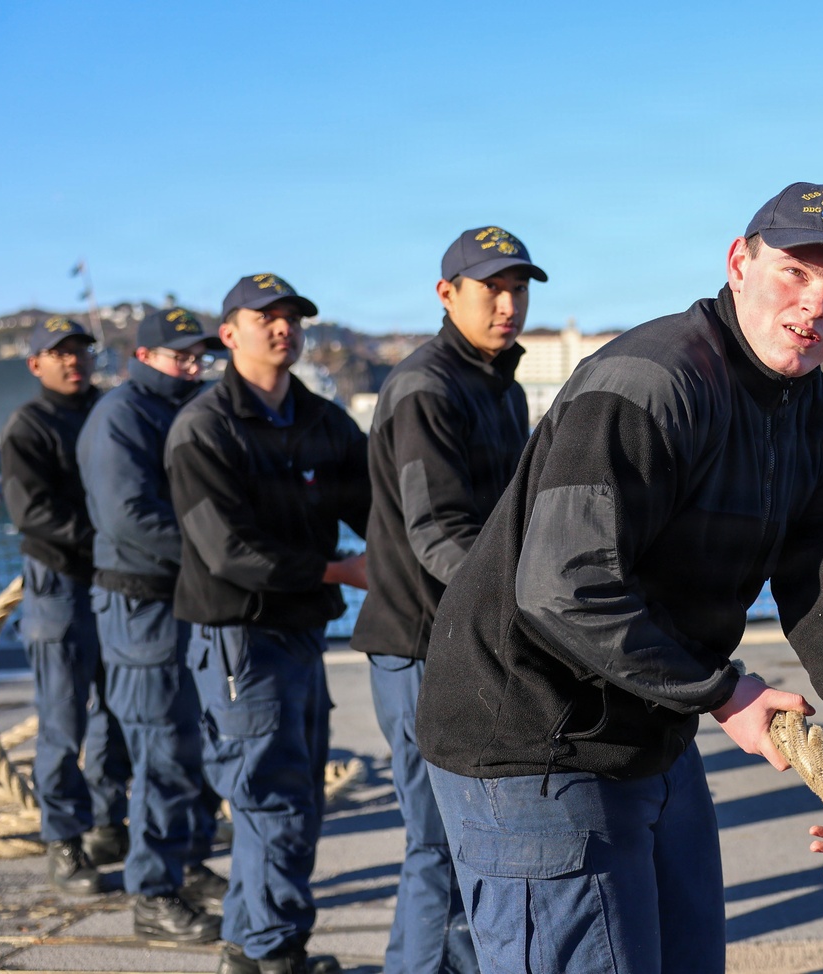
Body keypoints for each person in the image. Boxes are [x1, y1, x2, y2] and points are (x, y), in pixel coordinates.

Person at [416, 183, 823, 974]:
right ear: (738, 261)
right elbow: (564, 585)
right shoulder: (650, 384)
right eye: (794, 272)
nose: (814, 306)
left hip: (649, 720)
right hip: (529, 729)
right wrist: (726, 694)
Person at [351, 226, 545, 974]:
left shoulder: (504, 386)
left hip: (473, 636)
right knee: (437, 840)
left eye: (519, 288)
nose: (508, 303)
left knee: (475, 839)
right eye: (491, 286)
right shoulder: (426, 387)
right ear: (446, 293)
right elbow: (438, 532)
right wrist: (525, 612)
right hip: (422, 642)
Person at [164, 273, 370, 974]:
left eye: (292, 316)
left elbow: (376, 505)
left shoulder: (321, 421)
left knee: (291, 796)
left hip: (302, 633)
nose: (282, 327)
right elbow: (226, 552)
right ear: (228, 335)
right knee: (272, 800)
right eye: (266, 317)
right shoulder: (203, 428)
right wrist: (340, 571)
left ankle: (248, 949)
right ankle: (276, 955)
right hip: (240, 639)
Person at [77, 308, 226, 943]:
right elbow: (128, 518)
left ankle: (184, 862)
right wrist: (216, 553)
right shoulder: (120, 418)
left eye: (196, 354)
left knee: (189, 743)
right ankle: (153, 892)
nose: (191, 364)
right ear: (142, 357)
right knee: (160, 749)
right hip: (141, 608)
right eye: (178, 355)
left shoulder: (179, 411)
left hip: (180, 601)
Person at [0, 316, 130, 894]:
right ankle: (63, 839)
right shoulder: (27, 427)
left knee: (115, 712)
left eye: (80, 350)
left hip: (113, 580)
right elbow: (33, 515)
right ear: (36, 364)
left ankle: (106, 821)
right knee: (62, 719)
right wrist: (111, 539)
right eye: (59, 353)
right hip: (60, 583)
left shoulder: (108, 411)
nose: (73, 360)